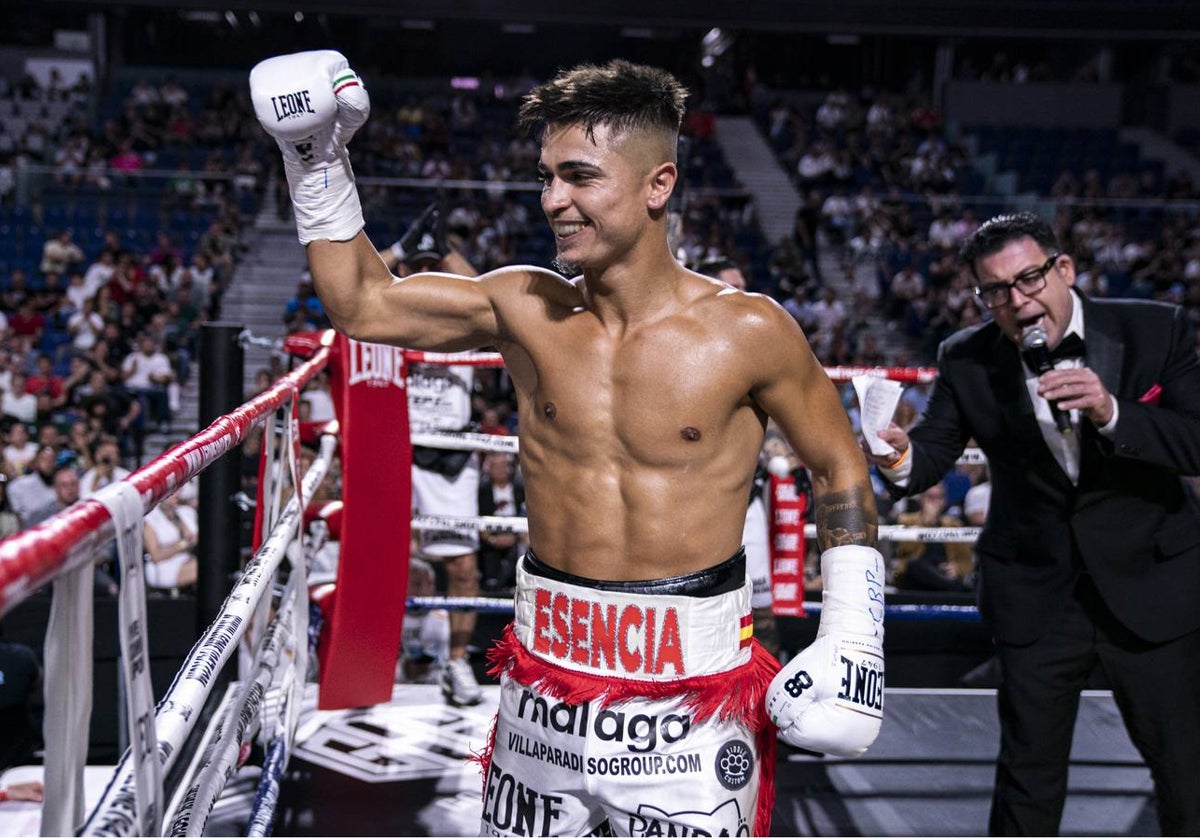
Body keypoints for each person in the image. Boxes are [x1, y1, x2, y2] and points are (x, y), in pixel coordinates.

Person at [252, 53, 884, 836]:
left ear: (659, 184)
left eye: (580, 177)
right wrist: (314, 160)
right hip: (544, 692)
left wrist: (853, 634)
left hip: (691, 701)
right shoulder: (525, 306)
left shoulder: (747, 331)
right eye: (547, 177)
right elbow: (363, 304)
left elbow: (837, 463)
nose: (555, 200)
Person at [864, 211, 1200, 835]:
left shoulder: (1154, 329)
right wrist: (899, 455)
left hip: (1153, 589)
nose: (1017, 302)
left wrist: (1112, 411)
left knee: (1187, 770)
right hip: (1039, 598)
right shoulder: (966, 357)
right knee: (1028, 778)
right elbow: (931, 449)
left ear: (1063, 269)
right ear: (981, 299)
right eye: (996, 291)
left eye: (1029, 280)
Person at [381, 205, 488, 708]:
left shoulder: (465, 320)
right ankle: (389, 657)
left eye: (434, 267)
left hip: (450, 455)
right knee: (387, 560)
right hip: (400, 448)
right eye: (414, 267)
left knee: (462, 567)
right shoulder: (389, 317)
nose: (424, 274)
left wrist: (443, 248)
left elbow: (488, 290)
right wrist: (402, 248)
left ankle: (457, 662)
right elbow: (355, 281)